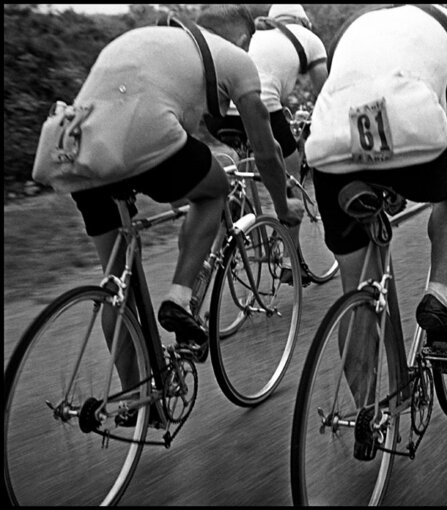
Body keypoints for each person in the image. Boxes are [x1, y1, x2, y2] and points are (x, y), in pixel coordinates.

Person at [40, 4, 302, 388]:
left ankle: (136, 398)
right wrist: (283, 206)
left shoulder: (152, 40)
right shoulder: (237, 58)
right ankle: (179, 298)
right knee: (215, 190)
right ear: (244, 38)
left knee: (117, 284)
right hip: (137, 136)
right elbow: (266, 150)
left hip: (76, 152)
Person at [304, 4, 447, 409]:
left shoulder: (359, 24)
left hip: (333, 149)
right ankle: (438, 295)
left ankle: (368, 417)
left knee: (357, 294)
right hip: (411, 132)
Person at [245, 4, 329, 282]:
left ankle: (239, 219)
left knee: (245, 165)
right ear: (303, 20)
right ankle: (288, 261)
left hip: (224, 114)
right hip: (263, 107)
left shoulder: (256, 36)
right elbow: (325, 93)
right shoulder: (308, 39)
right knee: (292, 177)